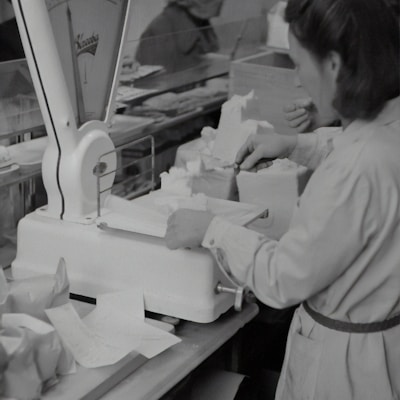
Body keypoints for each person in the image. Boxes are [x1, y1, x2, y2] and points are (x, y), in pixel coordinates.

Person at [165, 0, 400, 398]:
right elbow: (355, 143)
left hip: (341, 372)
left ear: (334, 66)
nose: (297, 78)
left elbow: (283, 277)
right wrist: (294, 144)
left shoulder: (354, 170)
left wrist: (213, 229)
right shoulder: (388, 125)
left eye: (298, 63)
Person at [135, 0, 225, 73]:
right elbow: (155, 84)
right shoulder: (161, 28)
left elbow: (203, 55)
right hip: (172, 91)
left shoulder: (198, 19)